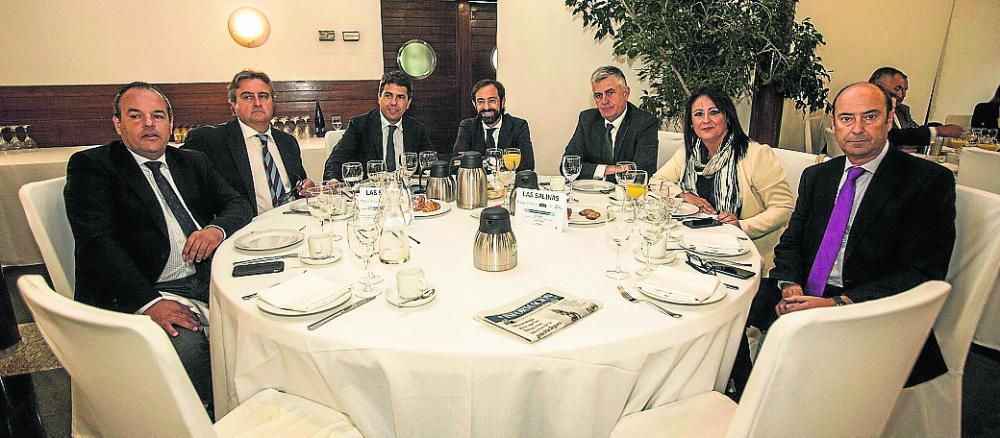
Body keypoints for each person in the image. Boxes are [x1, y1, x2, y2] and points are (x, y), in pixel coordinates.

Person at [730, 82, 956, 398]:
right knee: (731, 311)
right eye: (847, 118)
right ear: (834, 124)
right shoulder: (818, 176)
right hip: (807, 289)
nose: (858, 129)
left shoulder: (927, 182)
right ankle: (748, 402)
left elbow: (921, 271)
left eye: (871, 117)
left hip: (874, 307)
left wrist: (837, 304)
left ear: (890, 120)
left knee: (799, 349)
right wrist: (791, 287)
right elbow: (791, 242)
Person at [64, 82, 253, 410]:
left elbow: (238, 203)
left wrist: (215, 230)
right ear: (117, 124)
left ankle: (249, 408)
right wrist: (148, 302)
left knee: (263, 316)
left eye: (158, 115)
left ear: (170, 122)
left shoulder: (192, 162)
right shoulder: (94, 166)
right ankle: (201, 421)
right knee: (189, 345)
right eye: (136, 116)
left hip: (206, 277)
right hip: (143, 287)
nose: (149, 124)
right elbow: (98, 246)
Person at [653, 87, 793, 272]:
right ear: (691, 123)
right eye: (698, 114)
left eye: (714, 112)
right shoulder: (690, 152)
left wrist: (741, 225)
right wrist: (684, 195)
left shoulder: (756, 155)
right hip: (694, 243)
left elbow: (784, 208)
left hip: (742, 253)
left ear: (727, 116)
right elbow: (656, 182)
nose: (706, 120)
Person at [183, 70, 313, 216]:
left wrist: (306, 189)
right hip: (245, 231)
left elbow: (299, 185)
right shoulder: (210, 141)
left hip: (293, 225)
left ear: (273, 102)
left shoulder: (287, 142)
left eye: (263, 96)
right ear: (233, 105)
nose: (257, 103)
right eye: (248, 97)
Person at [322, 71, 434, 181]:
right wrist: (333, 180)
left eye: (400, 97)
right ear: (379, 98)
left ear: (408, 103)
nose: (393, 103)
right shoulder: (359, 125)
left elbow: (431, 162)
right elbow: (335, 161)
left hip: (407, 194)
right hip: (371, 195)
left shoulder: (416, 128)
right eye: (388, 95)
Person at [563, 66, 658, 180]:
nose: (604, 101)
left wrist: (593, 171)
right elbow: (568, 166)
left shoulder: (645, 123)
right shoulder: (587, 119)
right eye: (598, 96)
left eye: (610, 93)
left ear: (625, 93)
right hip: (590, 194)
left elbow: (642, 173)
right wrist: (611, 170)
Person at [868, 67, 963, 149]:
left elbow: (914, 131)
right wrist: (937, 131)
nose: (902, 95)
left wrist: (934, 128)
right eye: (897, 89)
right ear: (877, 87)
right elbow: (890, 137)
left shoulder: (902, 110)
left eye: (904, 90)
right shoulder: (866, 111)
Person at [452, 79, 534, 170]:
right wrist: (502, 160)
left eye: (492, 100)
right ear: (474, 104)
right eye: (480, 101)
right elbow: (456, 163)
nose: (486, 107)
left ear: (502, 102)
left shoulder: (519, 126)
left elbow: (527, 165)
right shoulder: (467, 126)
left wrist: (475, 159)